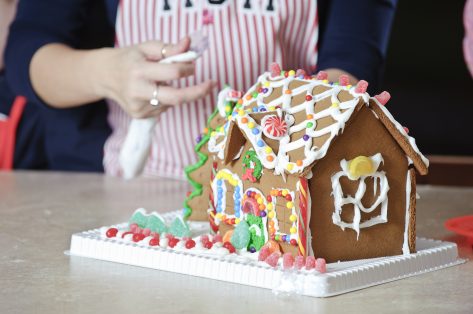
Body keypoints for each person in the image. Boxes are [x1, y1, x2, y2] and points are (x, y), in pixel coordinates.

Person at [4, 0, 397, 178]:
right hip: (127, 178)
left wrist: (292, 132)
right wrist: (106, 73)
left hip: (279, 183)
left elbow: (351, 65)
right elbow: (28, 54)